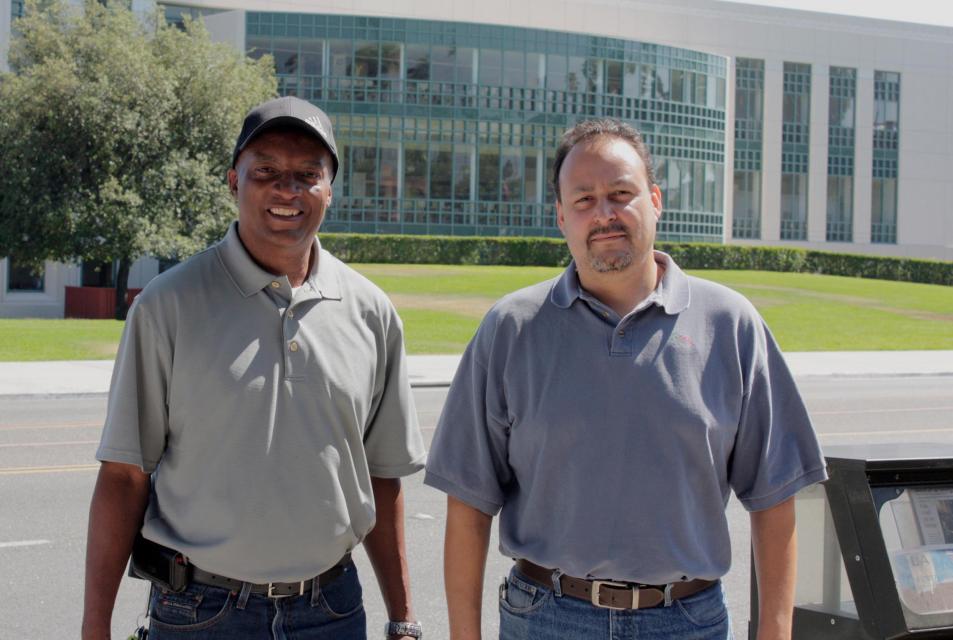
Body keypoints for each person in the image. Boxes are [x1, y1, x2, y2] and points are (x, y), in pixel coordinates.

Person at [423, 119, 827, 640]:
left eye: (621, 193)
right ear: (561, 216)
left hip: (688, 622)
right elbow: (469, 502)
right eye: (584, 199)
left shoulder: (730, 324)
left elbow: (774, 497)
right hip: (546, 619)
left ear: (655, 200)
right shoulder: (511, 328)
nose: (605, 213)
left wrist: (775, 632)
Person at [81, 96, 426, 640]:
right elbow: (124, 476)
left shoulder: (371, 312)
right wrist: (94, 626)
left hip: (333, 611)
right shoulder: (167, 305)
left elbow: (383, 478)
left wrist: (404, 619)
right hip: (199, 613)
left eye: (307, 175)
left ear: (330, 189)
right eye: (265, 171)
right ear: (232, 181)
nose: (287, 190)